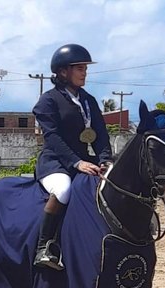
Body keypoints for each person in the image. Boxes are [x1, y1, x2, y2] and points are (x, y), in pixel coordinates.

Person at [33, 44, 111, 270]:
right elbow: (53, 138)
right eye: (79, 68)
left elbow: (100, 134)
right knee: (64, 190)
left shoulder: (88, 100)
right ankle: (44, 247)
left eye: (85, 68)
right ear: (63, 72)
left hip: (86, 159)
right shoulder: (48, 101)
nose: (84, 72)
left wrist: (105, 158)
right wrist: (77, 162)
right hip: (55, 162)